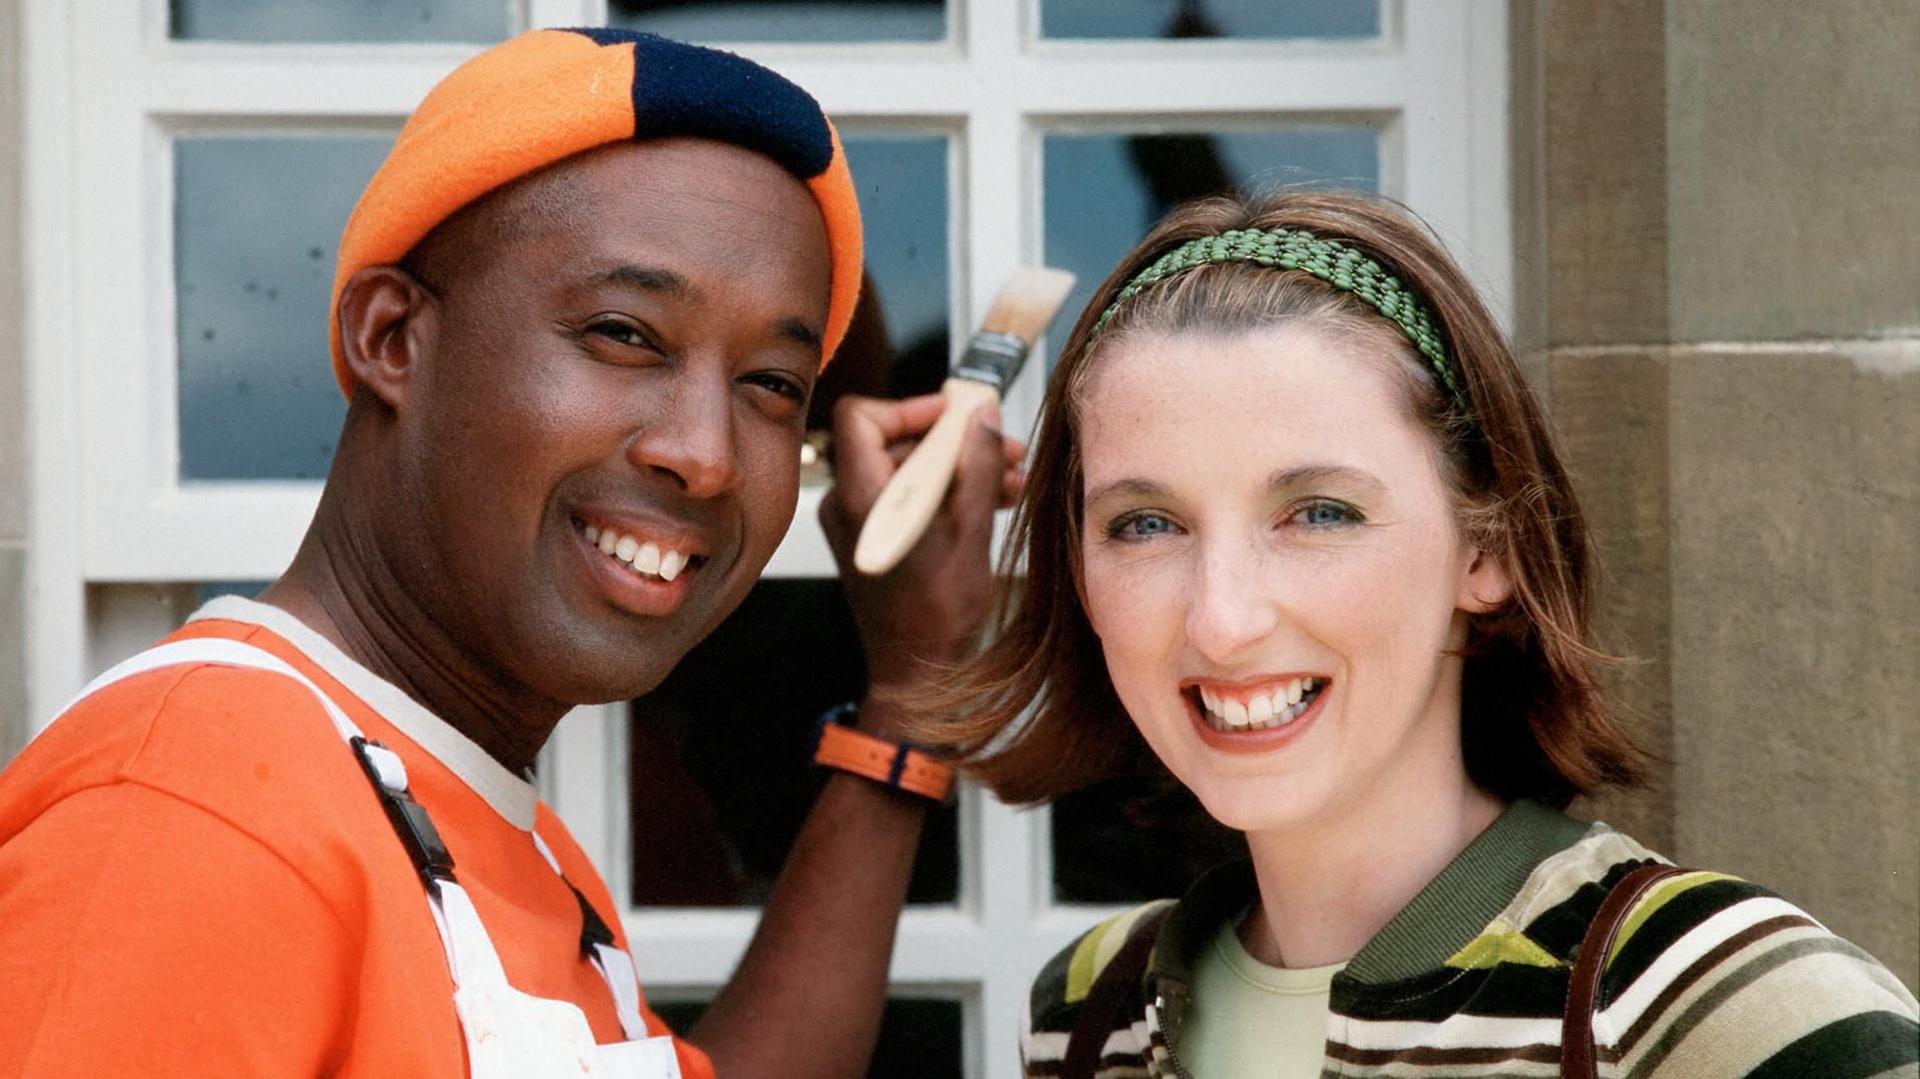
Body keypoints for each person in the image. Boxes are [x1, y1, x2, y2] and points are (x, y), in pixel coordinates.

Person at [0, 28, 1018, 1079]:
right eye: (625, 333)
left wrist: (914, 684)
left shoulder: (497, 828)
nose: (706, 456)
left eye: (770, 383)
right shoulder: (192, 818)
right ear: (393, 337)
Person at [921, 191, 1919, 1076]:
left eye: (1318, 512)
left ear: (1489, 545)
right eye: (1146, 524)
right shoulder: (1091, 1012)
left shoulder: (1714, 1001)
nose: (1222, 619)